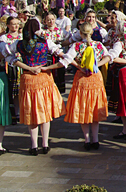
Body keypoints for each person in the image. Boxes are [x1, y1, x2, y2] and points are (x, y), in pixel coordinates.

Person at [9, 19, 66, 155]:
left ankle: (34, 145)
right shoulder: (45, 42)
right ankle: (45, 144)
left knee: (32, 112)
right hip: (43, 77)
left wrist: (28, 67)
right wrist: (46, 67)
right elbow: (61, 54)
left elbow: (9, 57)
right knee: (44, 112)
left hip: (28, 78)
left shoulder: (18, 43)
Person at [55, 22, 111, 150]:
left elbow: (68, 58)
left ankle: (87, 140)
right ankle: (96, 140)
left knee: (84, 108)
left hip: (82, 77)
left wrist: (79, 66)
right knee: (94, 108)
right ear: (92, 32)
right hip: (95, 78)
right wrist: (97, 66)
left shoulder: (77, 46)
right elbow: (108, 56)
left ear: (80, 33)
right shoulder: (98, 45)